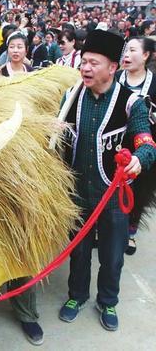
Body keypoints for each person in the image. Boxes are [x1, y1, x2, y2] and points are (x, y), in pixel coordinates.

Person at [58, 30, 156, 332]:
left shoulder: (132, 102)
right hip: (78, 193)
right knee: (79, 252)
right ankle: (76, 296)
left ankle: (108, 301)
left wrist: (140, 158)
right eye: (83, 62)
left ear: (112, 68)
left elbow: (147, 142)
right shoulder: (70, 97)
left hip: (113, 197)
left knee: (112, 257)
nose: (85, 68)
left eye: (93, 63)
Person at [115, 36, 156, 256]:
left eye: (132, 51)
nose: (127, 56)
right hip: (117, 144)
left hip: (145, 144)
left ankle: (130, 232)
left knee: (139, 190)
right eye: (125, 51)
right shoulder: (116, 77)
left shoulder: (154, 82)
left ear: (146, 55)